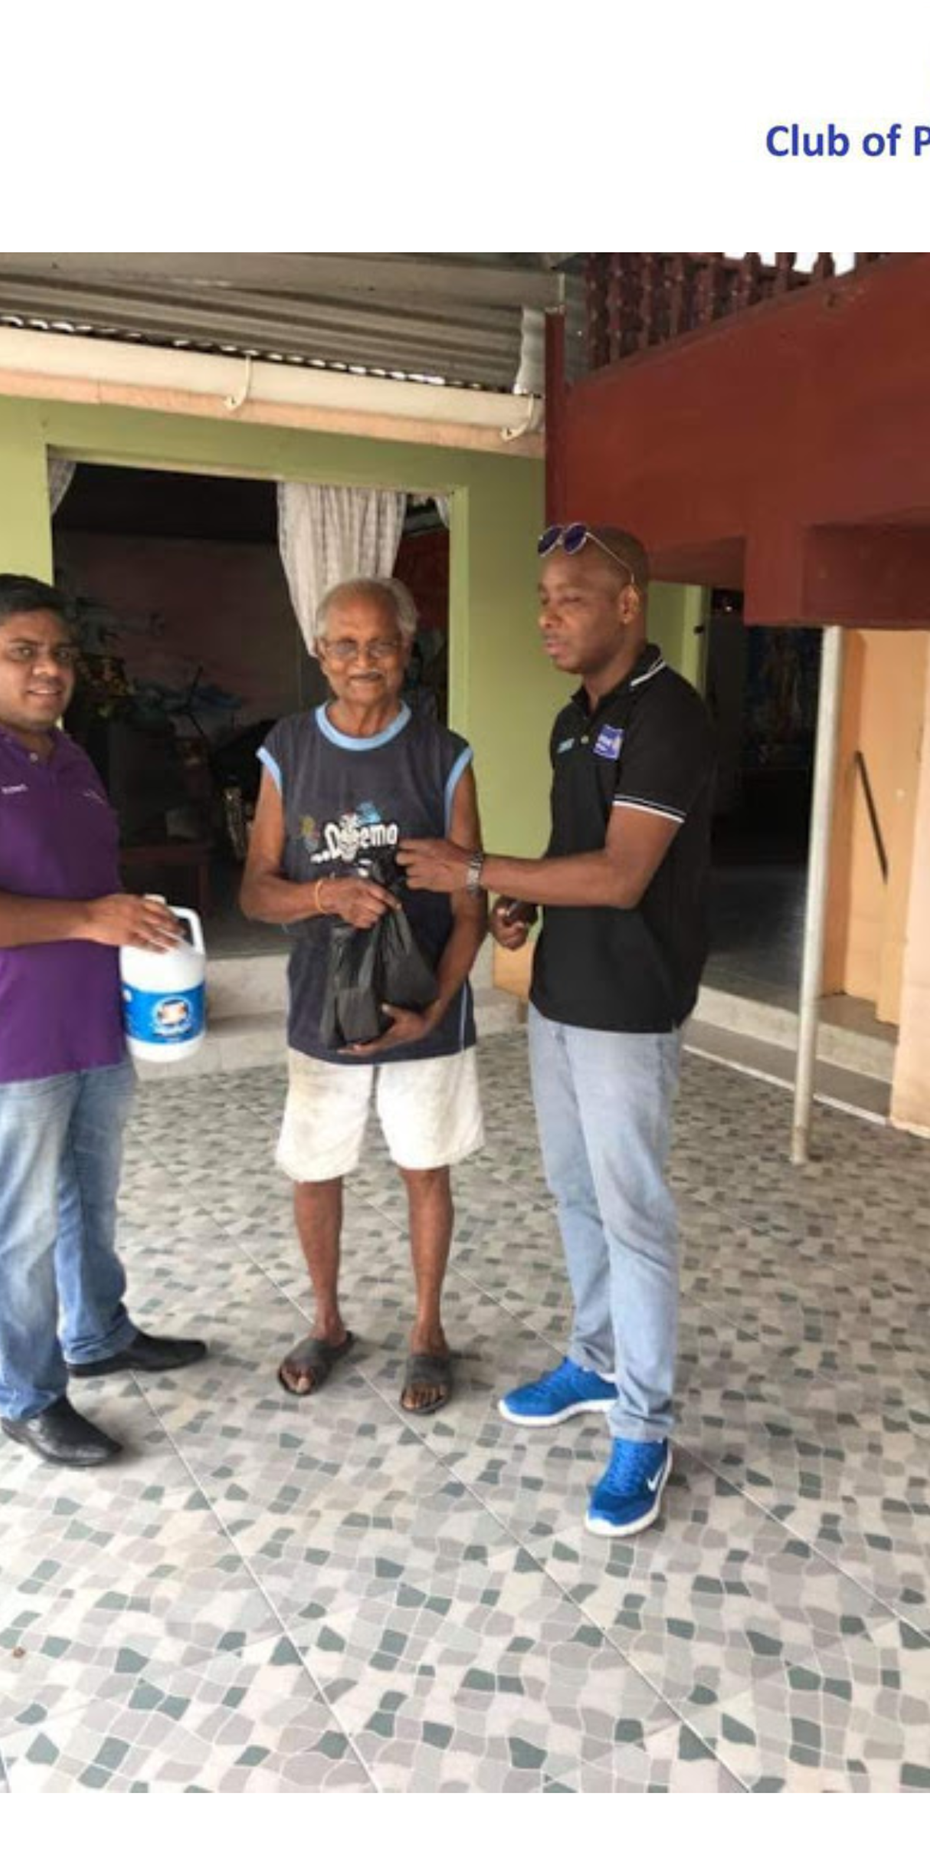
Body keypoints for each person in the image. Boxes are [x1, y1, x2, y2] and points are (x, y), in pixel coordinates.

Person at [398, 524, 712, 1536]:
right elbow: (579, 850)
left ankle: (645, 1425)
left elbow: (621, 876)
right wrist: (524, 899)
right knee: (576, 1194)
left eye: (570, 597)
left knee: (634, 1214)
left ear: (629, 604)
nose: (548, 616)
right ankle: (598, 1357)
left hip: (631, 1005)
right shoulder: (573, 720)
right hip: (562, 994)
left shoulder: (669, 715)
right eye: (543, 598)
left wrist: (474, 871)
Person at [0, 573, 210, 1468]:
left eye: (60, 653)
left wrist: (132, 927)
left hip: (92, 1029)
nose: (48, 670)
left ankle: (99, 1333)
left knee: (87, 1200)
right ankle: (27, 1396)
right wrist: (85, 919)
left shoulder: (68, 759)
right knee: (20, 1224)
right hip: (4, 1042)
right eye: (22, 652)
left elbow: (84, 888)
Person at [241, 576, 488, 1414]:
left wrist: (437, 1007)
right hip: (323, 1005)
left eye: (380, 643)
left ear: (407, 649)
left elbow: (471, 904)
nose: (362, 660)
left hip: (425, 1006)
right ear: (319, 652)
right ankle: (327, 1322)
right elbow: (255, 893)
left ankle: (427, 1332)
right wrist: (325, 896)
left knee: (425, 1170)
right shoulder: (287, 749)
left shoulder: (444, 755)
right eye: (344, 645)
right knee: (315, 1170)